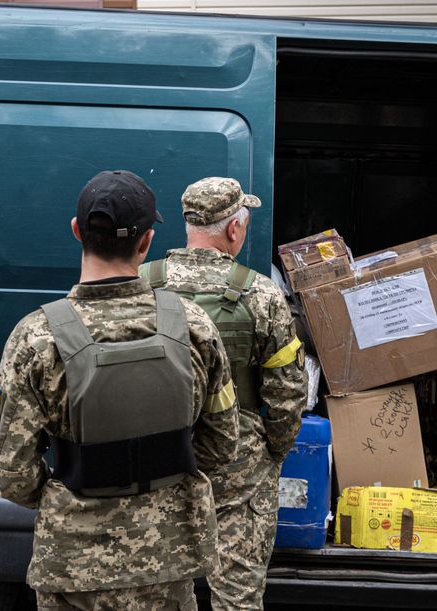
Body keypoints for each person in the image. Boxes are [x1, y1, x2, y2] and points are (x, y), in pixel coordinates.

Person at [0, 170, 239, 610]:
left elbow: (11, 473)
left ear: (77, 231)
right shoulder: (194, 326)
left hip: (75, 566)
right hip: (170, 559)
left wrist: (67, 496)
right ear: (147, 241)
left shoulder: (36, 337)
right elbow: (221, 446)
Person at [141, 177, 307, 610]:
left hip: (156, 455)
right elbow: (288, 391)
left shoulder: (141, 284)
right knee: (237, 596)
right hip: (239, 459)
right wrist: (272, 449)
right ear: (234, 229)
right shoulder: (261, 294)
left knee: (154, 593)